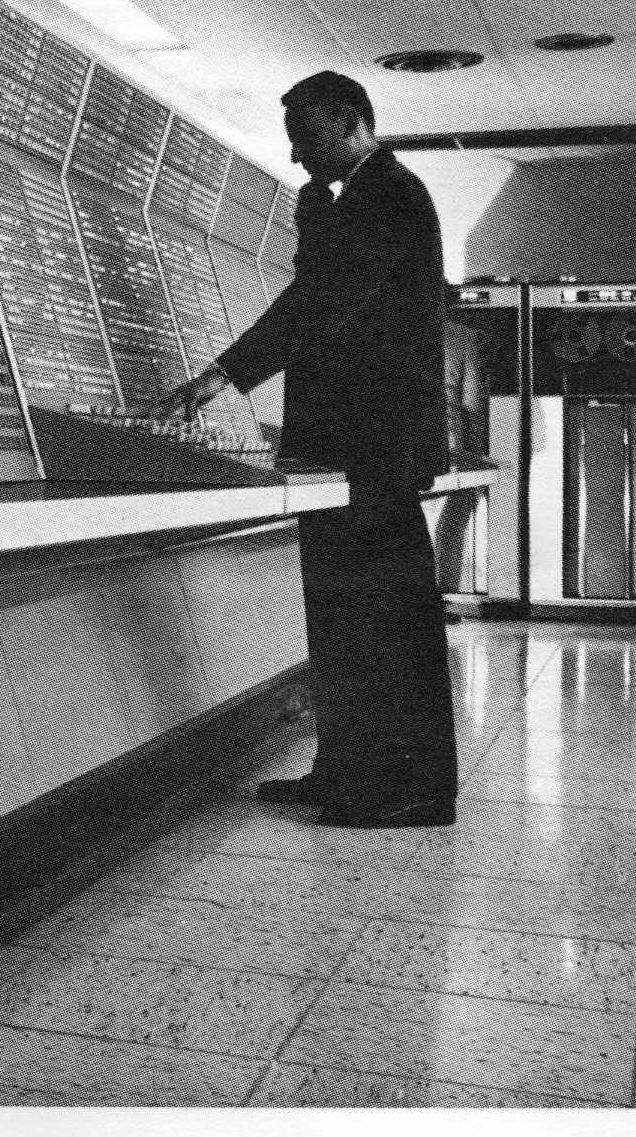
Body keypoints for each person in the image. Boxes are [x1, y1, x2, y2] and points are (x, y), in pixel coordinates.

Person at [156, 71, 458, 827]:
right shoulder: (355, 199)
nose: (295, 157)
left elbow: (322, 300)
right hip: (344, 448)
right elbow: (324, 292)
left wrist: (220, 375)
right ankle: (346, 772)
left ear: (350, 120)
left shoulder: (391, 194)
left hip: (376, 448)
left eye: (305, 137)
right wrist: (316, 217)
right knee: (341, 621)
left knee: (386, 624)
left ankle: (411, 790)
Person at [437, 283, 490, 620]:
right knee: (456, 513)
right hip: (448, 439)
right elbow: (472, 402)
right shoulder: (463, 337)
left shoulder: (390, 333)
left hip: (397, 439)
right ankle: (441, 596)